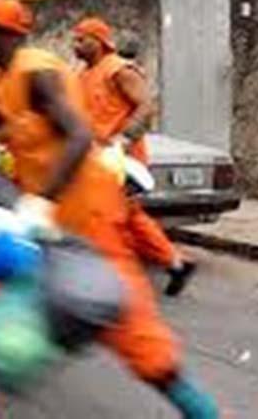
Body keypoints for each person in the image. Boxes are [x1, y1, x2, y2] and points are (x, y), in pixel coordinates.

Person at [0, 0, 218, 419]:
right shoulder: (6, 80)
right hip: (49, 223)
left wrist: (39, 204)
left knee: (141, 342)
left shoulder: (37, 71)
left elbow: (77, 136)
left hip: (89, 221)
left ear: (3, 34)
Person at [72, 17, 195, 296]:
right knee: (127, 216)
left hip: (121, 159)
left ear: (99, 42)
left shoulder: (119, 69)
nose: (75, 46)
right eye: (74, 40)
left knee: (111, 215)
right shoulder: (82, 74)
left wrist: (123, 140)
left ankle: (112, 276)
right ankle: (174, 263)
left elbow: (146, 107)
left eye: (81, 40)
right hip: (97, 159)